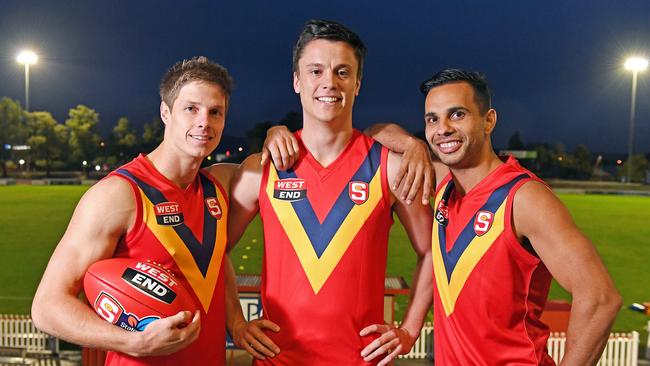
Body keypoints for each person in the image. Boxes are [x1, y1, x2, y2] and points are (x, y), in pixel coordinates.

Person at [31, 56, 297, 365]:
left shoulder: (219, 185)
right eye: (191, 109)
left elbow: (213, 260)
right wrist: (134, 341)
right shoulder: (118, 195)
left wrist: (275, 133)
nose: (204, 122)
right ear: (165, 112)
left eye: (215, 112)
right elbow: (47, 307)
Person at [226, 19, 434, 366]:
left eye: (342, 72)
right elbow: (213, 252)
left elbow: (431, 252)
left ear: (357, 83)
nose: (329, 83)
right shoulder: (260, 168)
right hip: (278, 360)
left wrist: (410, 329)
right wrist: (235, 322)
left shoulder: (390, 168)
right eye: (316, 71)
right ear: (297, 80)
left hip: (361, 360)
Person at [416, 69, 621, 365]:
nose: (442, 128)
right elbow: (379, 144)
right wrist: (411, 145)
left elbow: (600, 298)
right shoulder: (444, 184)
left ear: (488, 120)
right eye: (432, 119)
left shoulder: (523, 198)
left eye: (457, 115)